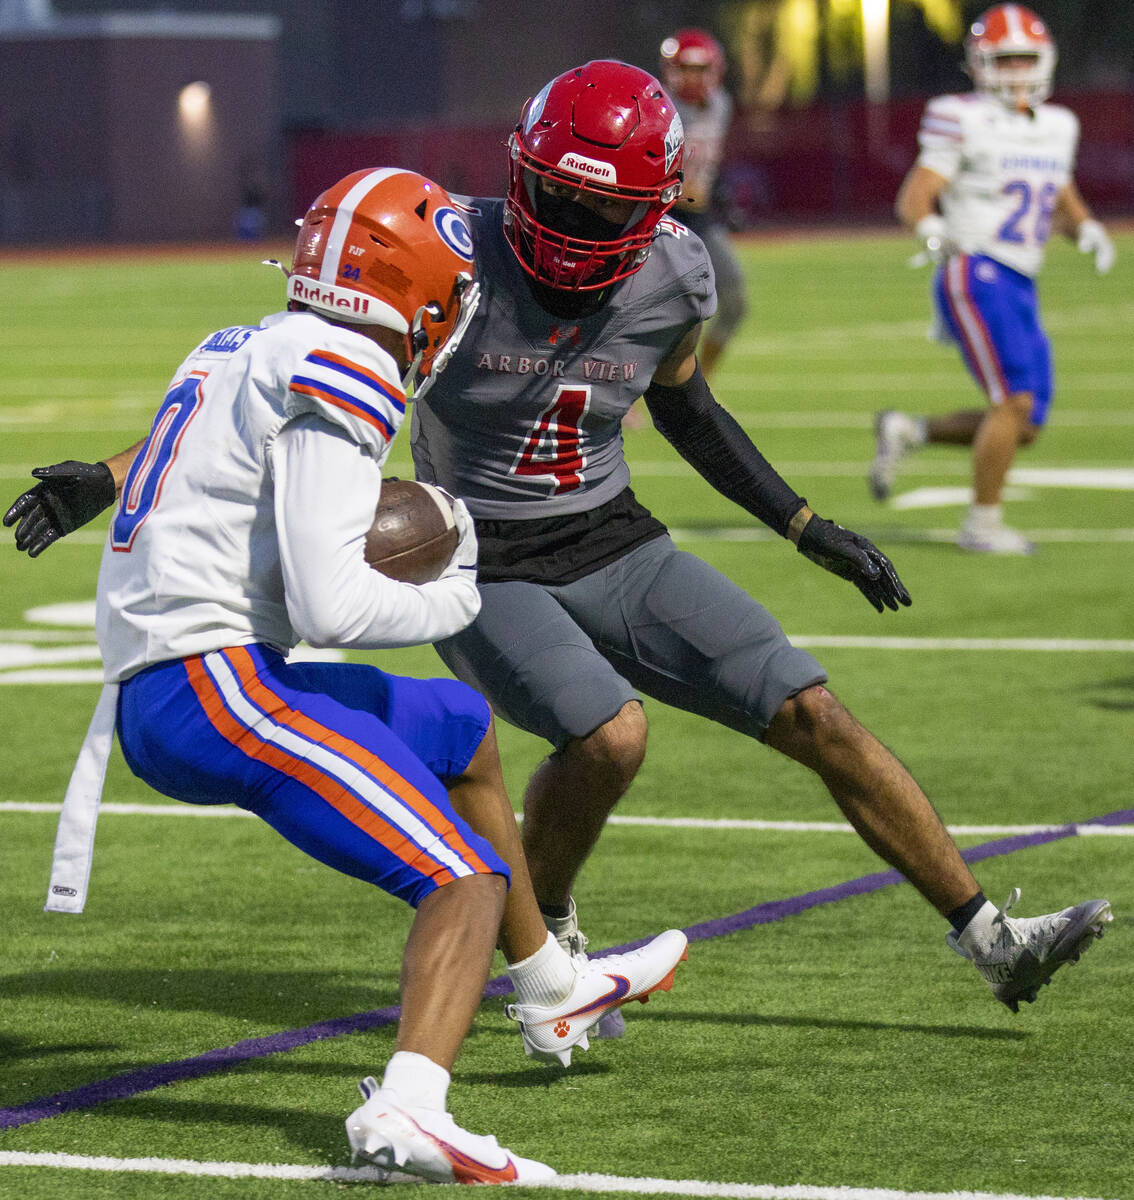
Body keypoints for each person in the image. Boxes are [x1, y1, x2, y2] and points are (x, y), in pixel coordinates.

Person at [6, 64, 1113, 1026]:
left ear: (655, 207)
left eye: (599, 215)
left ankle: (989, 942)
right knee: (613, 738)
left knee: (813, 709)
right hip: (473, 553)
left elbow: (687, 409)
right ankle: (550, 933)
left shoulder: (677, 271)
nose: (566, 229)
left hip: (615, 535)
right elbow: (267, 405)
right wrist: (110, 479)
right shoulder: (448, 256)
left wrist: (806, 526)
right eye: (549, 198)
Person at [8, 167, 689, 1184]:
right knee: (461, 875)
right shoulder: (346, 367)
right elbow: (334, 607)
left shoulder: (238, 345)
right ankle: (408, 1109)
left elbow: (193, 454)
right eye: (452, 282)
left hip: (189, 678)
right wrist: (454, 594)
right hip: (214, 690)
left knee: (459, 725)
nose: (458, 303)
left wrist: (102, 483)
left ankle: (549, 982)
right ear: (416, 282)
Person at [870, 4, 1116, 555]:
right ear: (980, 65)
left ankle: (912, 431)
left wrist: (1087, 229)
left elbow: (1059, 192)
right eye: (1005, 61)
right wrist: (932, 226)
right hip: (975, 267)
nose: (1017, 72)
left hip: (1022, 277)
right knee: (1016, 400)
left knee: (1026, 423)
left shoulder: (1058, 125)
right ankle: (982, 524)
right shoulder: (961, 116)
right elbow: (915, 195)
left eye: (1025, 59)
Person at [658, 27, 747, 379]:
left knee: (735, 302)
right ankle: (625, 395)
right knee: (659, 310)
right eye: (687, 69)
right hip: (661, 217)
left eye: (701, 70)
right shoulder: (659, 106)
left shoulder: (720, 104)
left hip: (702, 218)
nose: (694, 79)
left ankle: (699, 386)